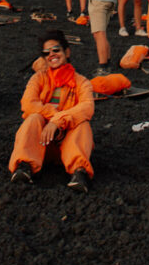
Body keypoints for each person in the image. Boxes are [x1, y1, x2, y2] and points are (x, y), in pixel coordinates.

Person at [9, 29, 94, 193]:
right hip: (40, 144)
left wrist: (57, 122)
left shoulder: (81, 82)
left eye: (56, 50)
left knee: (82, 124)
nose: (52, 55)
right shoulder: (38, 78)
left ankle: (79, 171)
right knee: (33, 118)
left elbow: (87, 107)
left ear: (67, 52)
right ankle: (24, 165)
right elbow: (27, 104)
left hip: (67, 144)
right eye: (46, 52)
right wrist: (54, 117)